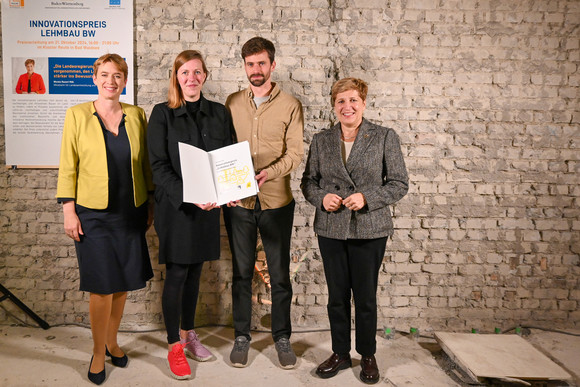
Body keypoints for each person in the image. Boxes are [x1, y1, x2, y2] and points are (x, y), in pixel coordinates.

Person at [301, 78, 409, 384]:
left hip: (369, 229)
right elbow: (308, 181)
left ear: (363, 103)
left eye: (353, 101)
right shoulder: (322, 140)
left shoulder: (385, 137)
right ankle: (340, 352)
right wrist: (321, 197)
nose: (346, 107)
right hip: (331, 230)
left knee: (365, 298)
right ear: (333, 105)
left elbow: (399, 183)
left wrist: (367, 198)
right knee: (336, 297)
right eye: (340, 101)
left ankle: (368, 354)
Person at [56, 53, 154, 385]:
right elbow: (68, 165)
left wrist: (150, 204)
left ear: (125, 81)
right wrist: (69, 209)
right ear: (94, 78)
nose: (111, 81)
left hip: (131, 210)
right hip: (92, 213)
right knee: (101, 286)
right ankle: (98, 351)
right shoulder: (77, 115)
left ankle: (113, 341)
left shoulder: (137, 114)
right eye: (104, 75)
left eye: (117, 76)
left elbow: (146, 166)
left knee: (124, 282)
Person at [147, 50, 235, 380]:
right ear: (176, 76)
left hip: (209, 209)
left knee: (196, 274)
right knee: (178, 275)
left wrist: (227, 193)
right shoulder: (162, 114)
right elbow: (158, 167)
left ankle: (188, 334)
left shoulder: (218, 112)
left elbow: (227, 157)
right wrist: (191, 195)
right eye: (185, 72)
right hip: (178, 209)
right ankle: (173, 345)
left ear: (205, 76)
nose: (191, 78)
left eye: (197, 72)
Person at [223, 36, 304, 369]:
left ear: (273, 64)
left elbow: (295, 153)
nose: (255, 70)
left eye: (261, 63)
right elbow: (224, 149)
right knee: (242, 274)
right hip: (239, 204)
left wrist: (269, 173)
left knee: (279, 275)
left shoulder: (291, 105)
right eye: (250, 64)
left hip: (276, 202)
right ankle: (241, 336)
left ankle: (282, 337)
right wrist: (225, 187)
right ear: (244, 66)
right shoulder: (231, 103)